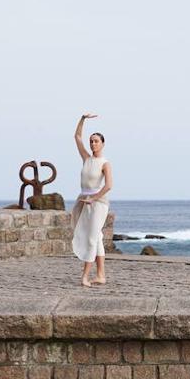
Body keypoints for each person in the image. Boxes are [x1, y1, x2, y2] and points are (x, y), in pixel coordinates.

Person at [71, 112, 112, 286]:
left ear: (102, 144)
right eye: (91, 141)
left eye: (96, 141)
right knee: (97, 237)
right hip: (84, 199)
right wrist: (82, 118)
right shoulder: (86, 159)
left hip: (98, 203)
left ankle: (85, 276)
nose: (93, 143)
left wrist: (93, 198)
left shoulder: (105, 163)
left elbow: (109, 185)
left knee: (91, 238)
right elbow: (77, 136)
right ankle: (101, 275)